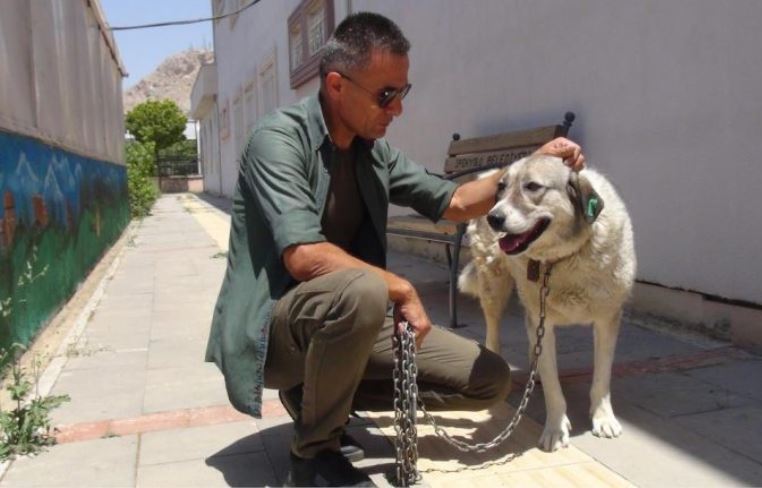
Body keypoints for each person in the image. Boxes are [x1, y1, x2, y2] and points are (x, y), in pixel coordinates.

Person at [205, 12, 585, 487]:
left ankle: (323, 399)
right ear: (338, 85)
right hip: (279, 331)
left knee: (489, 380)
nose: (397, 109)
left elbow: (456, 200)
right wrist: (401, 287)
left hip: (350, 320)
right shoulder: (277, 140)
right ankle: (313, 455)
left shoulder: (372, 150)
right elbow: (303, 256)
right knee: (366, 289)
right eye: (386, 95)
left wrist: (534, 161)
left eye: (402, 93)